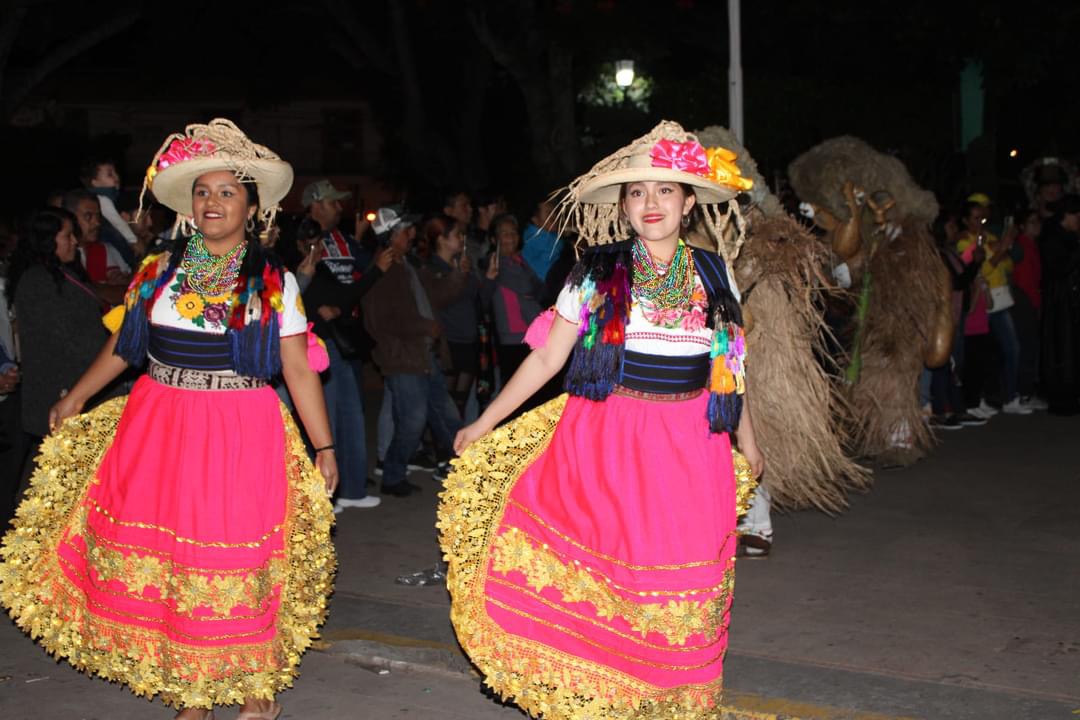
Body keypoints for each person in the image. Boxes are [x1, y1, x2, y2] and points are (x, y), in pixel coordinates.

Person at [0, 119, 337, 720]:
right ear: (189, 205)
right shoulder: (157, 271)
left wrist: (324, 445)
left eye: (227, 192)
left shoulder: (272, 279)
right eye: (203, 192)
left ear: (252, 206)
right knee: (180, 560)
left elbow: (297, 365)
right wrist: (76, 397)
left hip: (241, 426)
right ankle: (193, 689)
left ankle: (254, 688)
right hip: (161, 423)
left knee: (237, 555)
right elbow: (125, 347)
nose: (213, 202)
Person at [438, 121, 762, 719]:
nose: (651, 204)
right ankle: (611, 700)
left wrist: (749, 439)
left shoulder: (717, 274)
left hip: (693, 443)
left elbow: (731, 365)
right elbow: (548, 356)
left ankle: (676, 702)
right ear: (623, 207)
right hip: (611, 439)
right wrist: (486, 420)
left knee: (684, 584)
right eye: (637, 193)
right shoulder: (597, 271)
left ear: (688, 201)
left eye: (665, 191)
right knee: (620, 578)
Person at [300, 179, 386, 511]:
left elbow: (355, 284)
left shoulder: (345, 240)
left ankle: (349, 489)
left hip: (343, 336)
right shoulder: (304, 237)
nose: (339, 207)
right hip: (317, 337)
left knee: (351, 411)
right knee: (326, 416)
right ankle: (326, 492)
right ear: (316, 204)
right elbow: (304, 289)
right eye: (333, 202)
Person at [363, 207, 461, 497]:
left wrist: (458, 276)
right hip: (402, 355)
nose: (412, 234)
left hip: (420, 353)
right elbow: (382, 320)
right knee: (414, 419)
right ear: (391, 235)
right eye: (406, 230)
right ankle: (393, 475)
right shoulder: (384, 269)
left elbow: (433, 298)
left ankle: (463, 466)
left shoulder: (405, 265)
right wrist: (423, 327)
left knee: (443, 414)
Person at [7, 207, 107, 464]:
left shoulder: (58, 275)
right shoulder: (38, 282)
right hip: (59, 394)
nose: (75, 241)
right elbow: (65, 340)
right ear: (48, 240)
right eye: (67, 235)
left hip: (70, 389)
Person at [956, 199, 1030, 414]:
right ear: (965, 220)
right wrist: (999, 250)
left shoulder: (988, 238)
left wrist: (1003, 248)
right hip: (980, 301)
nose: (980, 222)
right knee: (977, 353)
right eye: (975, 218)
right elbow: (978, 272)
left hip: (997, 299)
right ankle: (976, 399)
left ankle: (1007, 397)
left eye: (983, 218)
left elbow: (1007, 264)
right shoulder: (964, 242)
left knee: (1009, 348)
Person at [420, 215, 480, 419]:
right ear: (441, 239)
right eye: (456, 235)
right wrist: (458, 275)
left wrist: (485, 278)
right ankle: (441, 447)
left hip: (468, 338)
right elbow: (440, 299)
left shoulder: (461, 264)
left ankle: (453, 444)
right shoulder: (430, 269)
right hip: (449, 341)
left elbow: (475, 298)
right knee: (445, 404)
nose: (462, 238)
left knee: (460, 402)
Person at [481, 214, 546, 405]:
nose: (510, 237)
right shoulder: (493, 263)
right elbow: (529, 287)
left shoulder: (519, 261)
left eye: (513, 233)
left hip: (531, 334)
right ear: (494, 239)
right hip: (512, 338)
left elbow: (542, 290)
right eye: (504, 234)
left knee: (533, 394)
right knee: (516, 397)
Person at [1038, 194, 1080, 415]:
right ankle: (1061, 398)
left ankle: (1072, 394)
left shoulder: (1070, 237)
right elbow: (1059, 268)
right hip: (1059, 302)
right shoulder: (1052, 237)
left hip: (1070, 300)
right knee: (1062, 348)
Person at [62, 189, 131, 287]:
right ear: (70, 217)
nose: (97, 223)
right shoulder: (62, 255)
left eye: (98, 216)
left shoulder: (106, 249)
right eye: (88, 216)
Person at [81, 158, 138, 268]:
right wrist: (133, 241)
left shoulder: (109, 198)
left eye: (115, 172)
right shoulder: (102, 199)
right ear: (95, 182)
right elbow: (117, 222)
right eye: (110, 174)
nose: (116, 177)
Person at [521, 198, 563, 281]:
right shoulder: (533, 239)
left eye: (555, 212)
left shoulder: (551, 236)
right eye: (548, 214)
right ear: (535, 220)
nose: (554, 217)